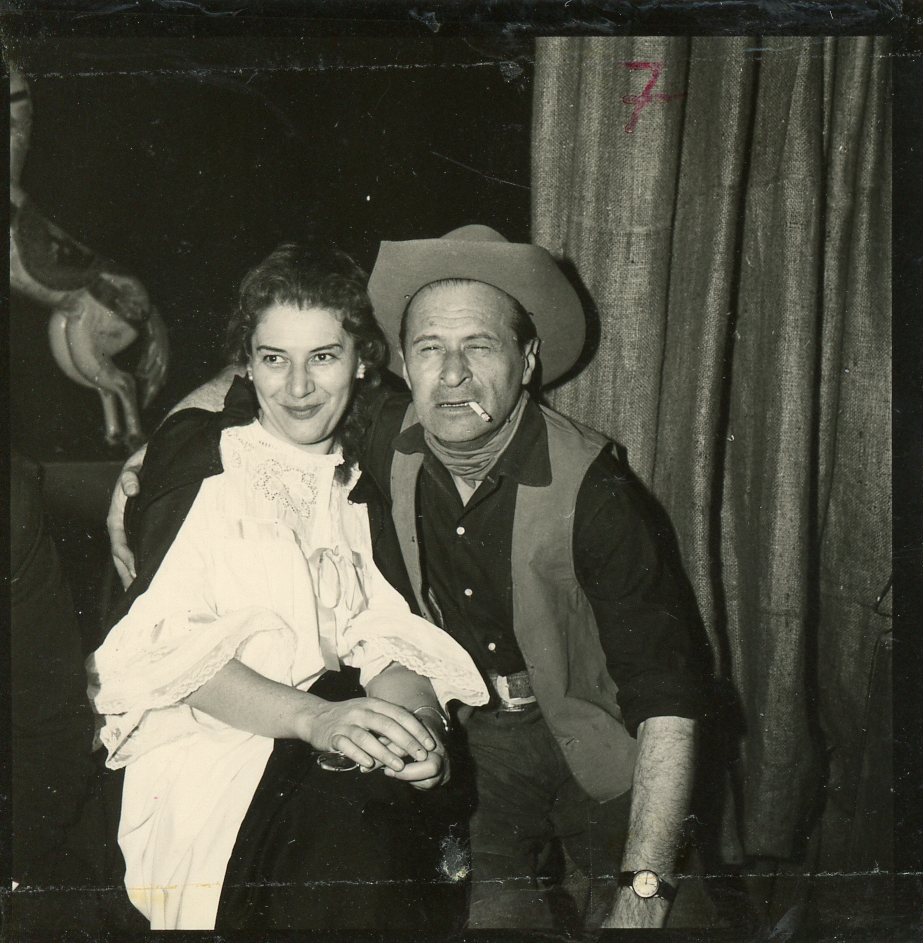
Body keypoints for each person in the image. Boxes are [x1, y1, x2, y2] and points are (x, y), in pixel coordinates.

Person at [108, 226, 703, 930]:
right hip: (480, 746)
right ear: (401, 364)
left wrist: (645, 894)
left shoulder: (598, 492)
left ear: (527, 359)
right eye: (429, 349)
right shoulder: (387, 436)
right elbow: (272, 379)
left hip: (600, 733)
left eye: (479, 346)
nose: (452, 375)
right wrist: (151, 456)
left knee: (675, 919)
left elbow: (668, 694)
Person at [89, 242, 488, 931]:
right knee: (351, 841)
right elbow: (166, 652)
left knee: (387, 820)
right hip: (211, 747)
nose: (298, 386)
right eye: (275, 358)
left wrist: (419, 730)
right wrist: (316, 719)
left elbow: (383, 636)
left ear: (362, 360)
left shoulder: (360, 481)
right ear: (246, 364)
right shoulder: (208, 462)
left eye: (323, 356)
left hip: (323, 740)